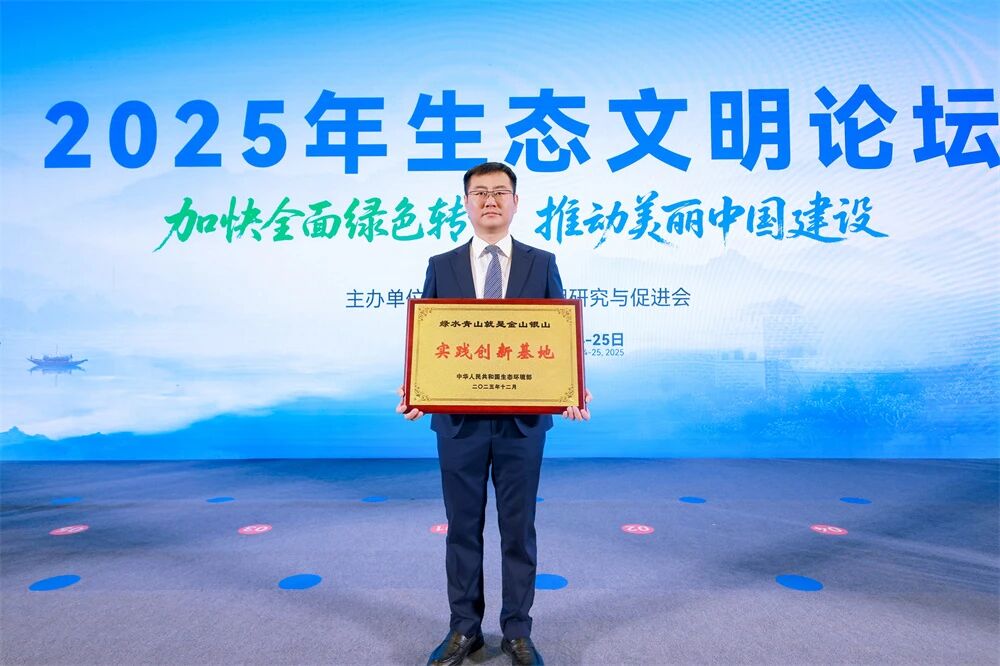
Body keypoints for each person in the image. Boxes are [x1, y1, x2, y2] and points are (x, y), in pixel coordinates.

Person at [397, 162, 591, 666]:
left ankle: (517, 631)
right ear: (465, 203)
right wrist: (416, 389)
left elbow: (558, 336)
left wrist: (571, 387)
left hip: (521, 423)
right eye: (480, 192)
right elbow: (430, 338)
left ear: (515, 202)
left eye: (500, 192)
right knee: (462, 527)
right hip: (458, 422)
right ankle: (464, 629)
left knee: (518, 528)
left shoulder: (541, 262)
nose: (490, 200)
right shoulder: (441, 265)